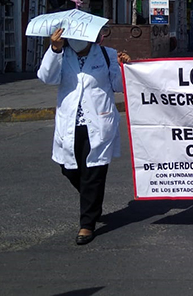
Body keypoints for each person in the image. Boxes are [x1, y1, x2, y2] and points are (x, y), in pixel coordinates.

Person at [37, 27, 130, 245]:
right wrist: (54, 49)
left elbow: (119, 86)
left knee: (93, 171)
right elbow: (46, 77)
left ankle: (87, 224)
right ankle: (92, 201)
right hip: (70, 122)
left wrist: (124, 66)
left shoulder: (107, 54)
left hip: (98, 122)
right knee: (68, 169)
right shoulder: (62, 54)